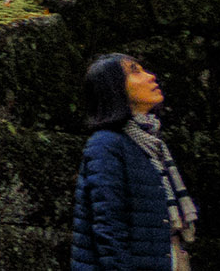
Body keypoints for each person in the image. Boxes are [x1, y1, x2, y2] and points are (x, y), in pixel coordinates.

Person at [72, 53, 197, 271]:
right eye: (135, 71)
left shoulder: (150, 143)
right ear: (114, 88)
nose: (150, 76)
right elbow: (109, 228)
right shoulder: (106, 145)